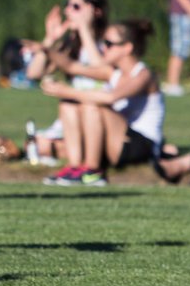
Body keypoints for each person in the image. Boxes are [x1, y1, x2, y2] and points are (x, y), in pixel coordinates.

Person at [40, 19, 164, 187]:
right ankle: (74, 168)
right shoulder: (114, 73)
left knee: (92, 105)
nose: (103, 47)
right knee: (67, 104)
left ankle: (93, 171)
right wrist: (45, 48)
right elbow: (71, 67)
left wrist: (67, 90)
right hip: (118, 140)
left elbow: (112, 97)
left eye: (109, 43)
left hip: (141, 145)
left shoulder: (144, 75)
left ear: (127, 48)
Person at [25, 0, 110, 177]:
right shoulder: (70, 45)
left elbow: (102, 70)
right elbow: (34, 73)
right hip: (72, 118)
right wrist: (49, 39)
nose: (68, 11)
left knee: (47, 142)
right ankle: (73, 167)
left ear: (95, 11)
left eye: (76, 7)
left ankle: (86, 167)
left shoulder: (108, 41)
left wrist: (85, 29)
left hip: (97, 117)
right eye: (67, 5)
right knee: (37, 143)